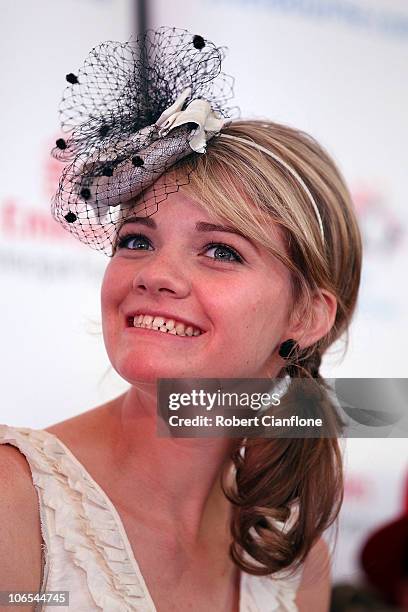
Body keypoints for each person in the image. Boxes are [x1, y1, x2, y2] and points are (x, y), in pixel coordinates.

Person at [0, 28, 362, 611]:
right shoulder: (11, 504)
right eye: (137, 239)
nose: (154, 274)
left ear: (308, 316)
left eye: (221, 250)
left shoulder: (295, 565)